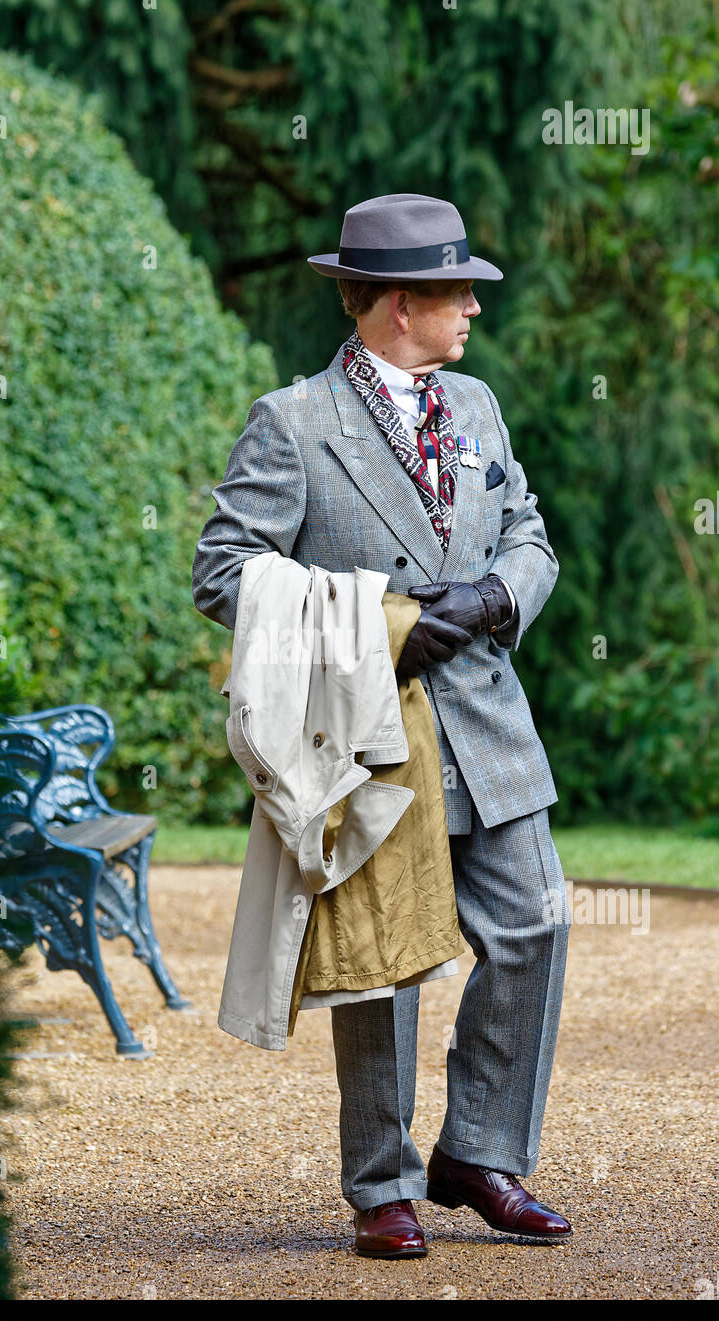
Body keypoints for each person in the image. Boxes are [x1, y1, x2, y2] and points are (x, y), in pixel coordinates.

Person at [192, 193, 572, 1258]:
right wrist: (382, 618)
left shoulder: (479, 406)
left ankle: (479, 1155)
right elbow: (222, 573)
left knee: (536, 921)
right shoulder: (292, 421)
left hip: (491, 723)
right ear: (400, 303)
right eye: (459, 293)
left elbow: (529, 530)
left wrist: (498, 597)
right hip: (368, 727)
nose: (473, 313)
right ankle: (382, 1186)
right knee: (385, 968)